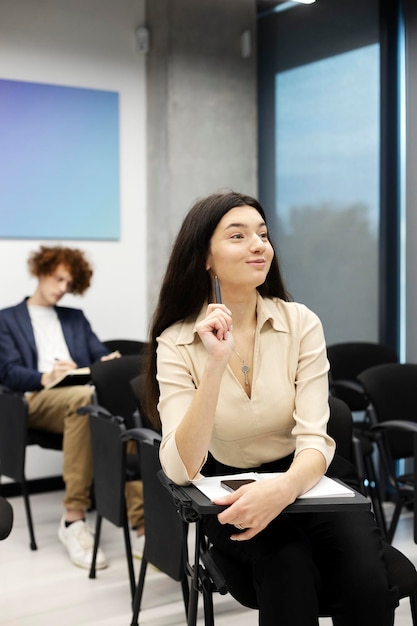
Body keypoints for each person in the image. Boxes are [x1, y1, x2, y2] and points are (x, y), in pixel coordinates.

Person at [144, 191, 399, 625]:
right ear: (204, 256)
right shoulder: (176, 342)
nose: (259, 244)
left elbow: (317, 440)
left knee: (367, 583)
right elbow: (181, 469)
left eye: (262, 234)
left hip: (310, 476)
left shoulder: (301, 323)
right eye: (238, 235)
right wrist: (215, 362)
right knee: (288, 567)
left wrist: (281, 491)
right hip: (231, 488)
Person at [0, 245, 144, 569]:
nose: (63, 288)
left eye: (69, 282)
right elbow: (7, 371)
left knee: (116, 405)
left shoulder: (74, 318)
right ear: (41, 272)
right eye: (58, 279)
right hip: (35, 398)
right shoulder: (7, 319)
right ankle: (73, 519)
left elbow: (97, 352)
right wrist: (45, 375)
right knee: (85, 402)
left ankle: (144, 526)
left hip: (79, 394)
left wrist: (107, 362)